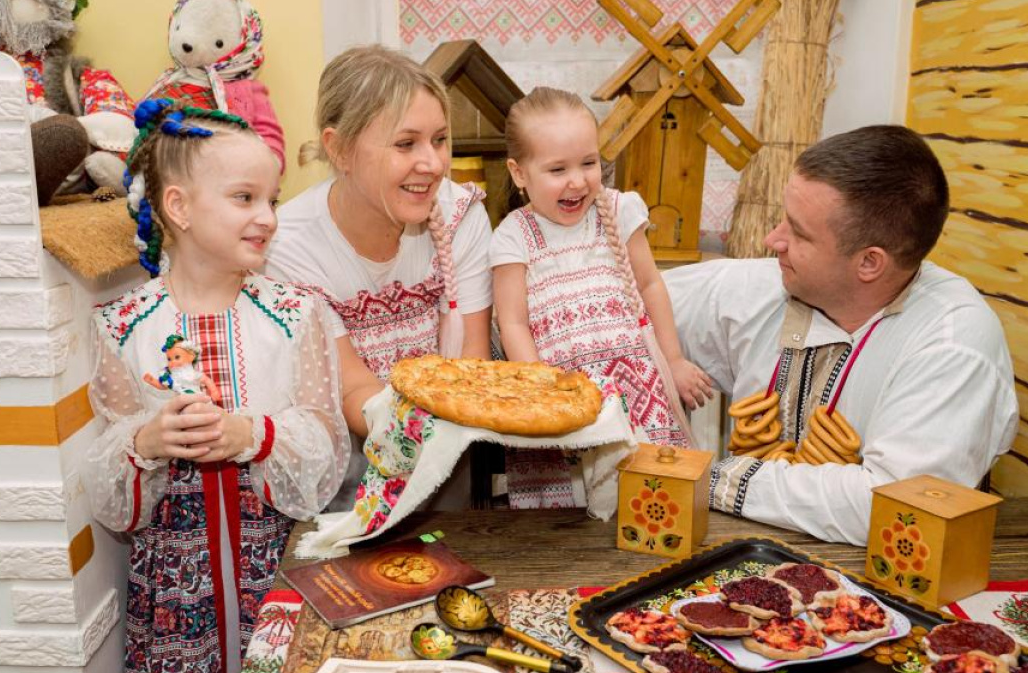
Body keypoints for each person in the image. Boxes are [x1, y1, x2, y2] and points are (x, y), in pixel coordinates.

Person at [84, 99, 350, 673]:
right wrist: (146, 442)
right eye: (244, 198)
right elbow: (107, 481)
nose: (268, 217)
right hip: (172, 591)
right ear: (178, 206)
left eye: (272, 200)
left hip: (275, 567)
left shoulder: (293, 316)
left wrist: (249, 433)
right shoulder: (122, 327)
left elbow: (326, 445)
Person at [666, 124, 1018, 546]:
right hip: (740, 563)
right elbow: (629, 307)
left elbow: (893, 509)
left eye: (798, 232)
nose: (772, 239)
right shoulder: (767, 285)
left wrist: (713, 477)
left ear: (870, 263)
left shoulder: (954, 343)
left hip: (889, 592)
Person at [266, 46, 493, 506]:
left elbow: (473, 364)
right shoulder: (289, 246)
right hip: (348, 476)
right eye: (405, 144)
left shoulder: (461, 215)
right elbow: (352, 389)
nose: (431, 164)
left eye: (440, 140)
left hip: (452, 456)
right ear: (340, 149)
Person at [490, 87, 713, 507]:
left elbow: (650, 286)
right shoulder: (513, 237)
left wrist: (674, 359)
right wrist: (542, 393)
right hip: (564, 400)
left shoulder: (618, 211)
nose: (578, 181)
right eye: (558, 169)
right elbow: (512, 322)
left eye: (588, 163)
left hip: (636, 392)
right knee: (570, 519)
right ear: (520, 174)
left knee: (651, 501)